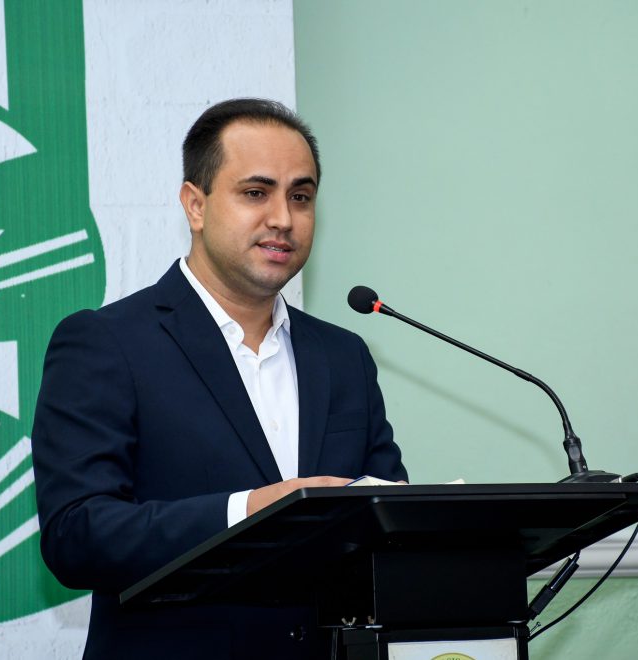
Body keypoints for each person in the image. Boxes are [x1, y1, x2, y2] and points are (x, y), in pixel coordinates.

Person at [31, 98, 407, 659]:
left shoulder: (344, 355)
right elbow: (76, 535)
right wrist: (250, 511)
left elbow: (384, 524)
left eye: (300, 197)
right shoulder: (107, 343)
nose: (283, 218)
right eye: (256, 193)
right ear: (195, 205)